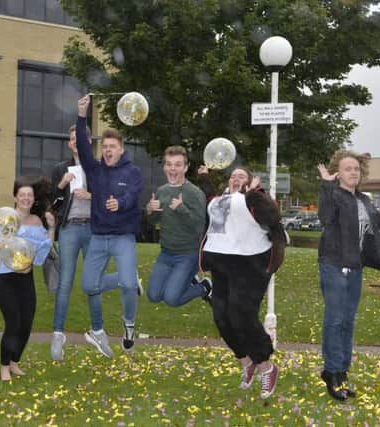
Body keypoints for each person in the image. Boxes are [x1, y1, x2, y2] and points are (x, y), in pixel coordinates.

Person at [317, 150, 380, 401]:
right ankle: (332, 372)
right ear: (338, 173)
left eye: (356, 168)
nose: (353, 172)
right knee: (335, 320)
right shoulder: (333, 195)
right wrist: (326, 184)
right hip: (333, 266)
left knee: (348, 322)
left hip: (355, 269)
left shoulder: (365, 201)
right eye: (348, 168)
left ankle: (342, 371)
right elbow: (324, 217)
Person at [201, 166, 286, 399]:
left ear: (250, 181)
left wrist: (253, 193)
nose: (236, 178)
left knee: (241, 314)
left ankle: (266, 366)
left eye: (242, 176)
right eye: (233, 176)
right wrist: (205, 178)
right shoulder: (221, 200)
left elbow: (272, 217)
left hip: (250, 263)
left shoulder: (254, 198)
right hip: (222, 262)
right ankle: (246, 361)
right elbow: (210, 202)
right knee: (221, 316)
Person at [76, 95, 143, 357]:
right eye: (104, 146)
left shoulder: (133, 172)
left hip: (123, 237)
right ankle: (130, 281)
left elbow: (133, 195)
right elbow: (82, 147)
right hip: (99, 237)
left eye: (112, 146)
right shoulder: (95, 170)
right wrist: (81, 116)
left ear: (121, 149)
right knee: (89, 286)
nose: (107, 150)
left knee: (127, 286)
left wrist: (121, 203)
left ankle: (128, 326)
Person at [49, 124, 122, 361]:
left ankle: (98, 331)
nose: (76, 141)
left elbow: (111, 199)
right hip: (70, 228)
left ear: (88, 141)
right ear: (70, 143)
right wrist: (61, 186)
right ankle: (58, 335)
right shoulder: (60, 168)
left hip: (93, 228)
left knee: (94, 282)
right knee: (65, 282)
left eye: (80, 138)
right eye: (72, 139)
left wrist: (91, 195)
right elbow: (55, 203)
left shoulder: (100, 168)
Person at [0, 176, 55, 381]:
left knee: (26, 324)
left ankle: (14, 362)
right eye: (22, 195)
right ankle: (3, 367)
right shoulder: (7, 219)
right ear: (15, 197)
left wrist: (52, 228)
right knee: (13, 323)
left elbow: (44, 249)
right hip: (4, 277)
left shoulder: (37, 221)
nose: (26, 198)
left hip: (26, 278)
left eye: (29, 195)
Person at [145, 145, 210, 307]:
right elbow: (153, 221)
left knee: (172, 299)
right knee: (153, 295)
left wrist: (182, 209)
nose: (172, 169)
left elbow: (200, 227)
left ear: (186, 168)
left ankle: (203, 287)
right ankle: (186, 280)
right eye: (169, 164)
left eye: (177, 165)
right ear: (164, 167)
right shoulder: (162, 191)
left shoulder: (195, 193)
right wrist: (150, 210)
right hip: (166, 253)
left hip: (188, 255)